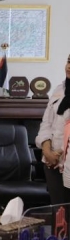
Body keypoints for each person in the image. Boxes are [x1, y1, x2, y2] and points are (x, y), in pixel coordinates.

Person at [36, 54, 70, 204]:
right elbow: (46, 123)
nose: (69, 66)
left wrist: (58, 153)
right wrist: (47, 150)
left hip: (65, 160)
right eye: (68, 61)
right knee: (58, 209)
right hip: (52, 162)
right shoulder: (59, 89)